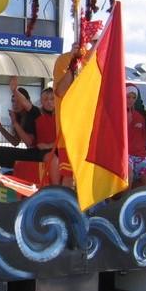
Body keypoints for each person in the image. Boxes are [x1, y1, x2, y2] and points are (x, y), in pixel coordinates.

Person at [0, 79, 41, 172]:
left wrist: (15, 123)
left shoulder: (34, 113)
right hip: (31, 153)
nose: (14, 104)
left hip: (38, 154)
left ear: (26, 101)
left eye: (18, 101)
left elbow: (29, 142)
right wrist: (0, 128)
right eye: (13, 101)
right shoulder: (19, 117)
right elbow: (15, 142)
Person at [52, 41, 83, 188]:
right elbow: (60, 91)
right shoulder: (63, 60)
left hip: (92, 132)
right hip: (69, 133)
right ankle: (66, 209)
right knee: (70, 178)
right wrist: (73, 64)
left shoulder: (97, 60)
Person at [126, 83, 146, 188]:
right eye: (128, 97)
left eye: (133, 97)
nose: (131, 100)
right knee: (128, 176)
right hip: (126, 155)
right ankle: (125, 202)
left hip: (140, 156)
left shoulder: (140, 116)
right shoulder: (116, 115)